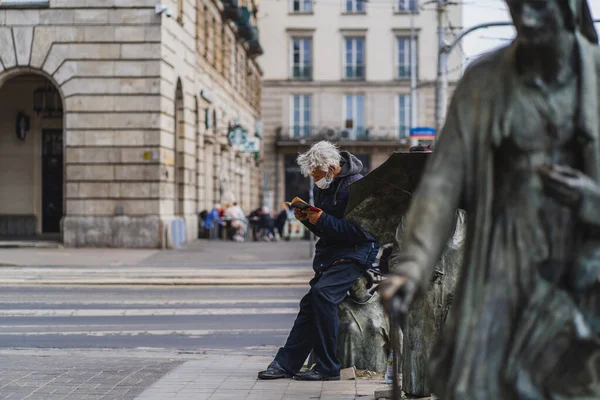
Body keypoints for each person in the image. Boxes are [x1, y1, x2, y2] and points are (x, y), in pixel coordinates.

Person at [382, 1, 600, 398]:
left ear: (570, 9)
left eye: (540, 7)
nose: (527, 20)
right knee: (479, 384)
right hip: (503, 260)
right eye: (517, 8)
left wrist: (591, 200)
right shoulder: (484, 80)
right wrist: (411, 267)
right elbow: (442, 182)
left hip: (580, 267)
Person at [258, 141, 379, 381]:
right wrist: (307, 219)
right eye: (313, 176)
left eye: (319, 175)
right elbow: (328, 229)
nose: (316, 180)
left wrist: (321, 219)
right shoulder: (328, 184)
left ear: (333, 167)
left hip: (357, 251)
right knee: (311, 303)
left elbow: (363, 232)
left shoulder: (356, 185)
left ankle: (328, 367)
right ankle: (285, 364)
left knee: (323, 295)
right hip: (334, 253)